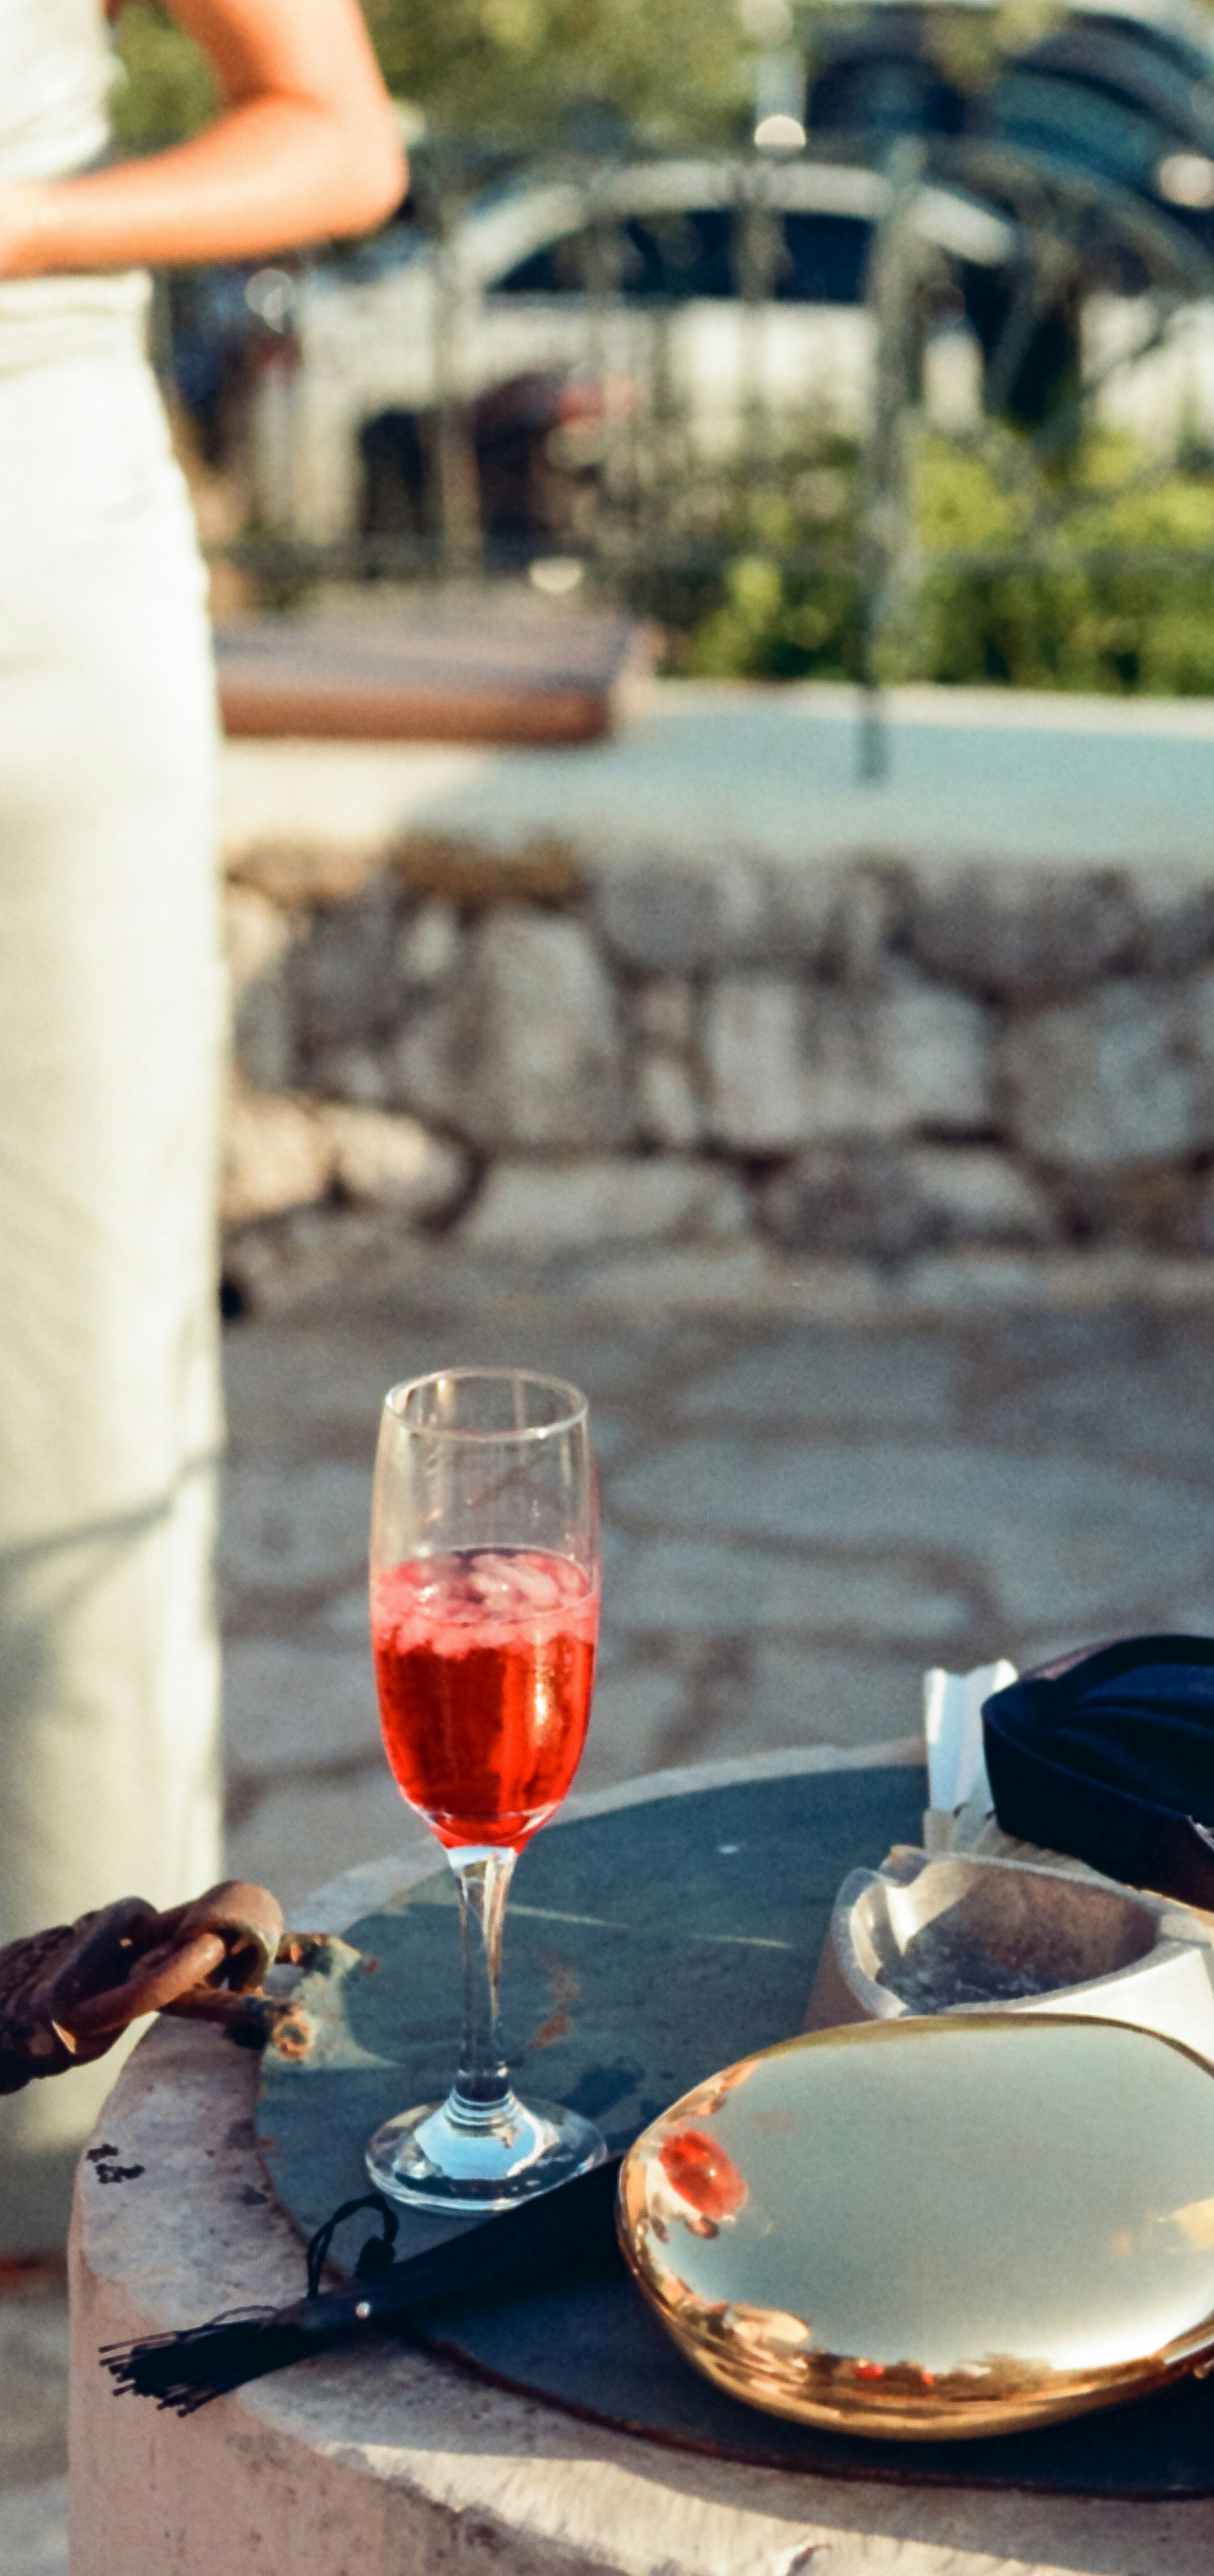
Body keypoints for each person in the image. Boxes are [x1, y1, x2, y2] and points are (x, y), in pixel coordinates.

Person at [0, 0, 402, 2242]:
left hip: (25, 592)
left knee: (59, 1352)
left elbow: (333, 139)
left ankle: (46, 2103)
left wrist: (18, 228)